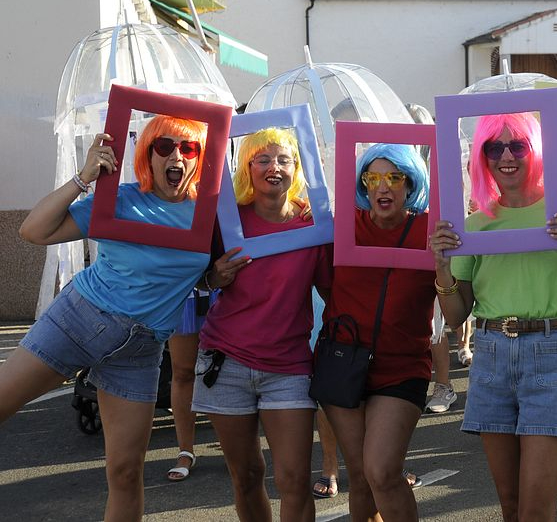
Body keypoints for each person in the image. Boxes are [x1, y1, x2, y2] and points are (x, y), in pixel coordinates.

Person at [5, 115, 214, 521]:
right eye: (165, 146)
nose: (177, 156)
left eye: (188, 148)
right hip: (80, 318)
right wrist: (83, 177)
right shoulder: (121, 199)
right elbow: (33, 231)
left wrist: (215, 273)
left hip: (138, 350)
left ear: (200, 157)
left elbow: (202, 267)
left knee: (124, 470)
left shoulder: (208, 214)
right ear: (148, 154)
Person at [430, 112, 557, 521]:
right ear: (482, 157)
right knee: (512, 507)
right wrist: (442, 267)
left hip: (556, 352)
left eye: (518, 145)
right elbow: (457, 312)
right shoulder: (475, 224)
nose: (506, 156)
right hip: (492, 355)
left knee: (535, 508)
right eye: (494, 147)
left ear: (537, 150)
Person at [191, 127, 331, 521]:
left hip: (287, 366)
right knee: (247, 475)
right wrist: (215, 277)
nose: (274, 167)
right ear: (247, 168)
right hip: (226, 362)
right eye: (263, 159)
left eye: (283, 159)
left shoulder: (313, 225)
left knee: (295, 479)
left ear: (297, 168)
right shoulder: (227, 221)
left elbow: (336, 291)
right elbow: (199, 278)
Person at [320, 143, 435, 522]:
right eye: (373, 178)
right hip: (344, 363)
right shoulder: (342, 227)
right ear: (363, 184)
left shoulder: (430, 229)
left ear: (411, 182)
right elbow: (326, 285)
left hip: (402, 368)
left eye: (394, 177)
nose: (383, 187)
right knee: (360, 476)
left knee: (382, 471)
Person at [166, 289, 214, 482]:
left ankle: (232, 446)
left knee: (227, 368)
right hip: (184, 288)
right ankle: (185, 452)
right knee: (183, 371)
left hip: (223, 285)